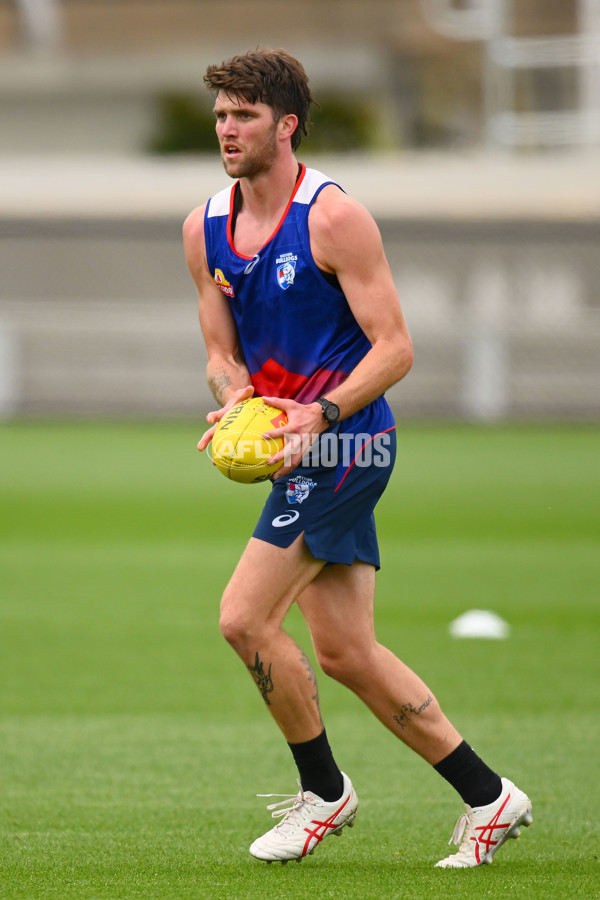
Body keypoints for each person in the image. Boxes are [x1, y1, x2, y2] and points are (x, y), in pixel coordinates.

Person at [183, 48, 532, 868]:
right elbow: (219, 351)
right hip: (294, 446)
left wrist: (322, 411)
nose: (229, 130)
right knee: (343, 652)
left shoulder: (334, 218)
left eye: (245, 116)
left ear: (287, 124)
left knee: (242, 618)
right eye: (222, 116)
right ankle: (490, 796)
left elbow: (396, 347)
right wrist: (236, 395)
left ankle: (323, 795)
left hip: (348, 441)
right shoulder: (204, 227)